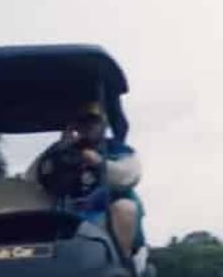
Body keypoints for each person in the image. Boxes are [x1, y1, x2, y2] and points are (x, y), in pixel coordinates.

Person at [26, 101, 145, 255]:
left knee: (125, 208)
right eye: (82, 121)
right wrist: (59, 151)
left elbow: (130, 176)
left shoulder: (119, 150)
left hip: (104, 217)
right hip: (68, 215)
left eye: (93, 120)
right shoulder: (60, 150)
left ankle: (122, 264)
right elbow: (31, 178)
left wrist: (99, 163)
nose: (87, 125)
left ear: (104, 122)